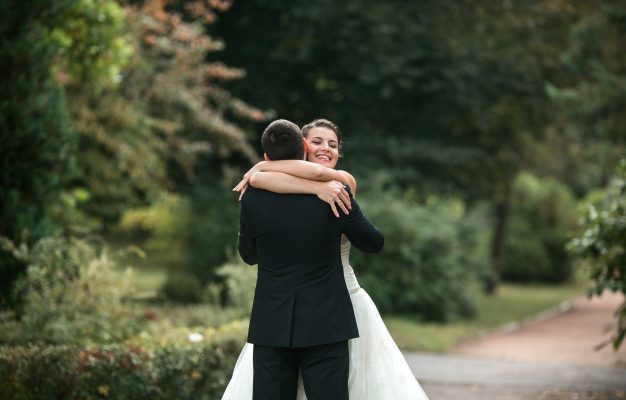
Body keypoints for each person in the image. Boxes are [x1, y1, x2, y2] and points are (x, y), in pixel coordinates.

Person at [223, 119, 430, 399]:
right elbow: (373, 242)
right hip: (327, 318)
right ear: (304, 146)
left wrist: (260, 169)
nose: (326, 148)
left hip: (273, 318)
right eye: (318, 142)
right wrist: (315, 188)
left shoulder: (258, 193)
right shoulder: (334, 193)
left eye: (333, 144)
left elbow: (249, 255)